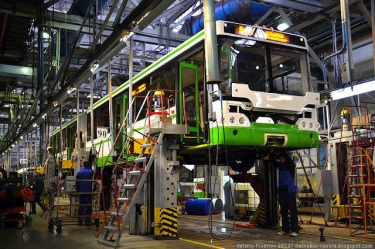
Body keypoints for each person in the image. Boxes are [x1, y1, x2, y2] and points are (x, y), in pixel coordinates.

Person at [269, 149, 299, 237]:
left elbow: (288, 159)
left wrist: (281, 150)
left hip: (290, 192)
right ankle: (285, 229)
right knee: (283, 211)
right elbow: (273, 161)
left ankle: (294, 230)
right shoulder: (281, 167)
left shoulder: (291, 166)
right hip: (282, 192)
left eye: (282, 158)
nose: (281, 159)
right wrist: (271, 154)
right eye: (280, 158)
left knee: (292, 211)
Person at [76, 161, 94, 225]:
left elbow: (77, 182)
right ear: (89, 165)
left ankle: (79, 221)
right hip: (88, 191)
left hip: (81, 191)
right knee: (87, 206)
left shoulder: (79, 172)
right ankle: (87, 221)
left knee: (81, 205)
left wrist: (77, 190)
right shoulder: (91, 172)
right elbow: (93, 181)